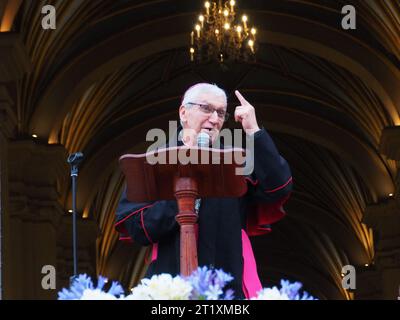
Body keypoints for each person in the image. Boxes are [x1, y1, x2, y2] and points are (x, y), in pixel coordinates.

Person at [115, 83, 293, 299]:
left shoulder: (235, 163)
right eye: (206, 109)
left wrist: (253, 130)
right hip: (171, 289)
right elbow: (138, 227)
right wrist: (186, 196)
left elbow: (278, 187)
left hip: (227, 287)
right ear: (183, 113)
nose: (215, 119)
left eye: (220, 113)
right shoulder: (155, 162)